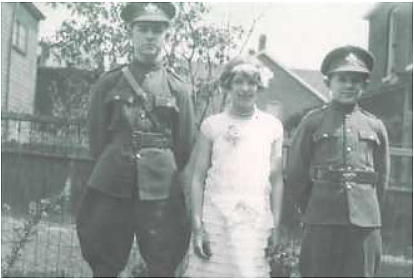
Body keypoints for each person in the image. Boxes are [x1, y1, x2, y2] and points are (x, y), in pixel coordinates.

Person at [76, 3, 195, 277]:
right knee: (104, 261)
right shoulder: (109, 83)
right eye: (143, 29)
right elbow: (96, 139)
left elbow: (185, 145)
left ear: (167, 35)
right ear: (131, 33)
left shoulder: (179, 89)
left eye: (157, 30)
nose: (150, 36)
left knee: (163, 261)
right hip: (112, 185)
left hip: (160, 191)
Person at [287, 45, 390, 277]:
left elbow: (382, 179)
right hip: (322, 220)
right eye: (342, 79)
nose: (348, 85)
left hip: (364, 223)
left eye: (356, 80)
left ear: (364, 85)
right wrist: (311, 207)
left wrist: (367, 209)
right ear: (328, 83)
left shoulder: (375, 126)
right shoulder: (313, 122)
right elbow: (296, 174)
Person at [182, 57, 284, 277]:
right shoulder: (212, 125)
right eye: (238, 82)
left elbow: (276, 180)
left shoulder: (272, 127)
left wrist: (276, 224)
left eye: (252, 82)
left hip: (254, 219)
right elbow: (197, 178)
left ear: (260, 86)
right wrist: (198, 226)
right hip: (215, 218)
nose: (245, 89)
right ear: (228, 85)